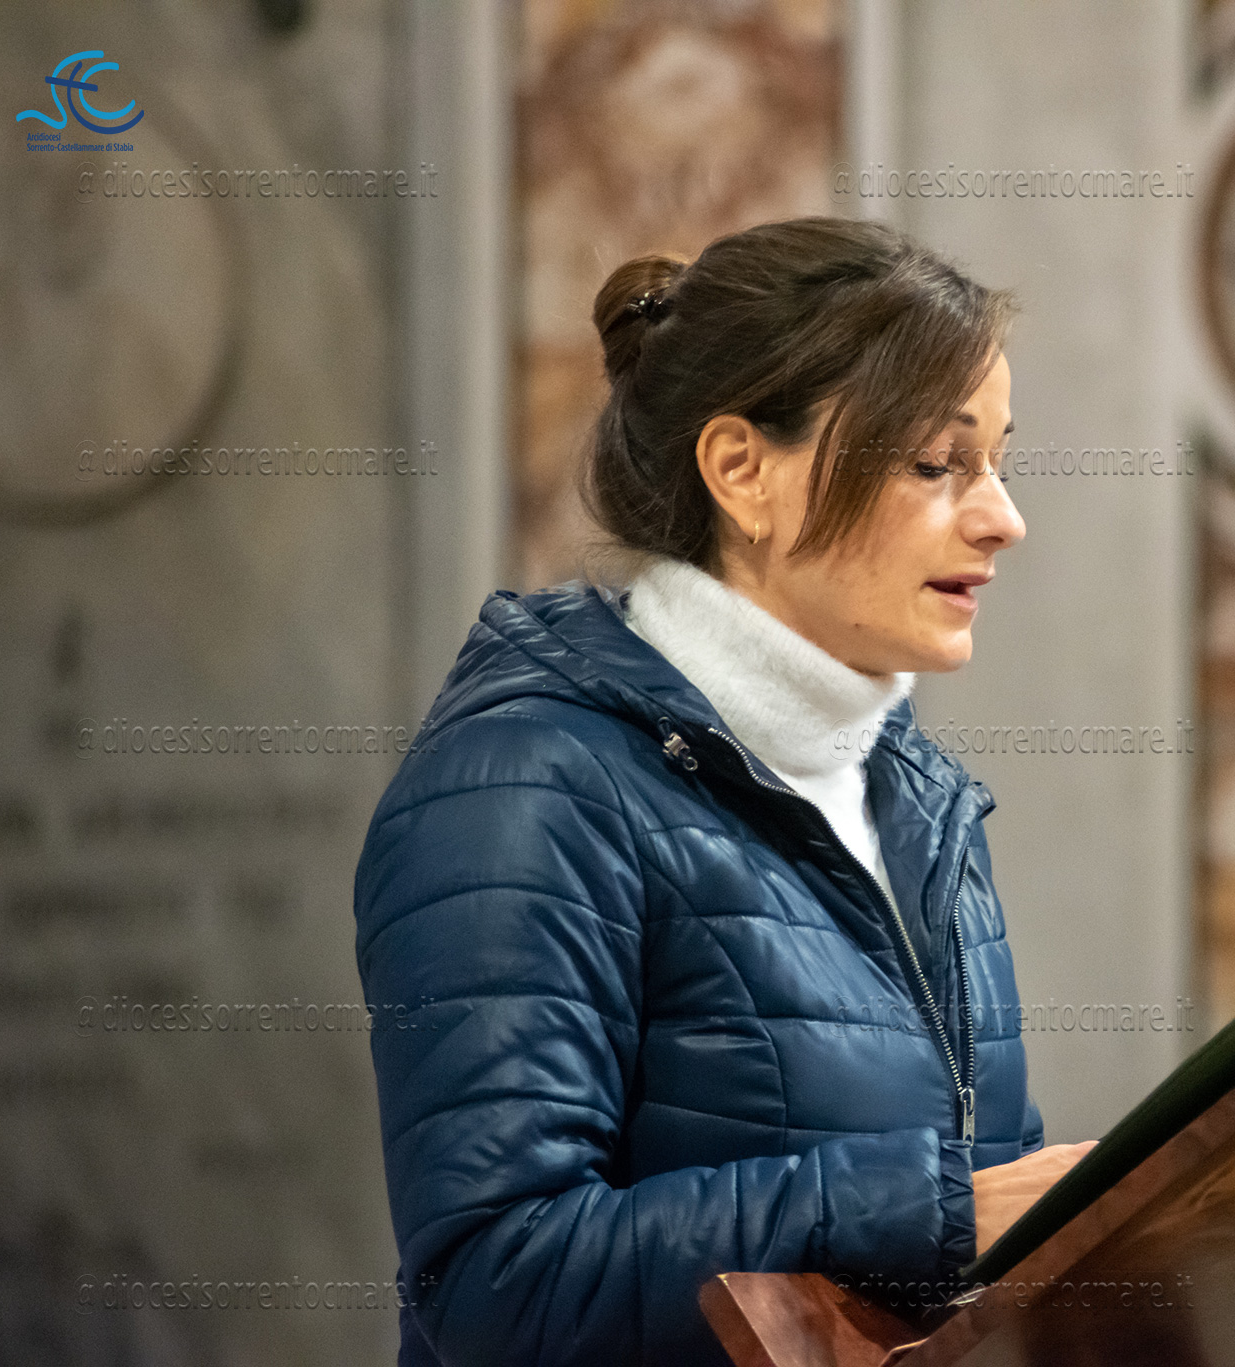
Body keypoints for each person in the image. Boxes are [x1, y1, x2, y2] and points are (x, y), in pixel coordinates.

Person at [354, 217, 1093, 1366]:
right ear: (742, 470)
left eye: (997, 459)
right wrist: (933, 1211)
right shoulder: (526, 787)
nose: (1003, 516)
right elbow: (496, 1278)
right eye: (935, 463)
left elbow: (986, 1243)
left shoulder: (919, 801)